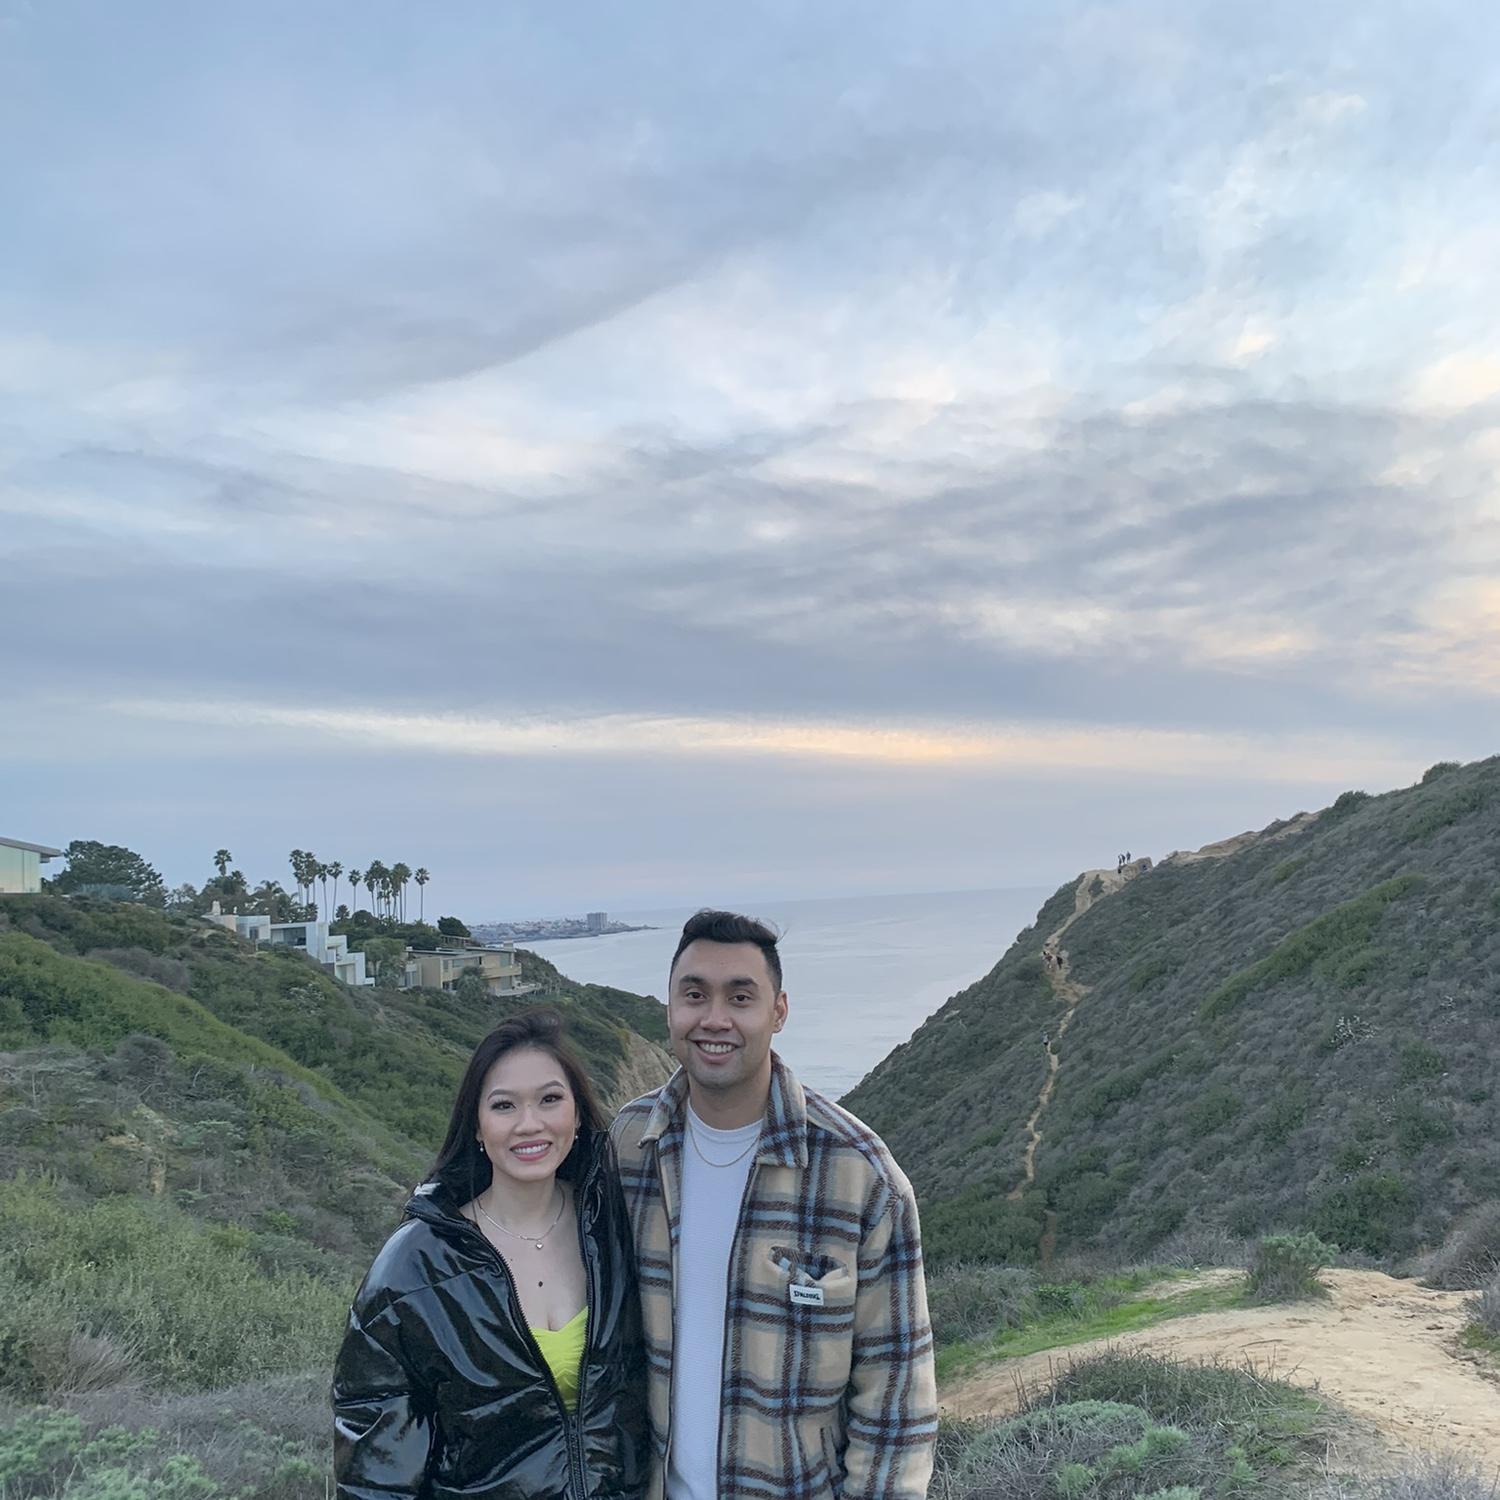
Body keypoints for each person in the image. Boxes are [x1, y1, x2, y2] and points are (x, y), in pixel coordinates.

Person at [612, 909, 937, 1500]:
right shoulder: (629, 1146)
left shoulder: (858, 1174)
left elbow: (897, 1401)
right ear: (670, 1008)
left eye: (741, 997)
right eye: (694, 995)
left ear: (778, 1012)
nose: (715, 1018)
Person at [332, 1009, 648, 1500]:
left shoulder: (618, 1225)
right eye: (504, 1106)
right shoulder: (415, 1266)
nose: (529, 1124)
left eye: (550, 1099)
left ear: (578, 1114)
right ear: (477, 1126)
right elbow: (376, 1472)